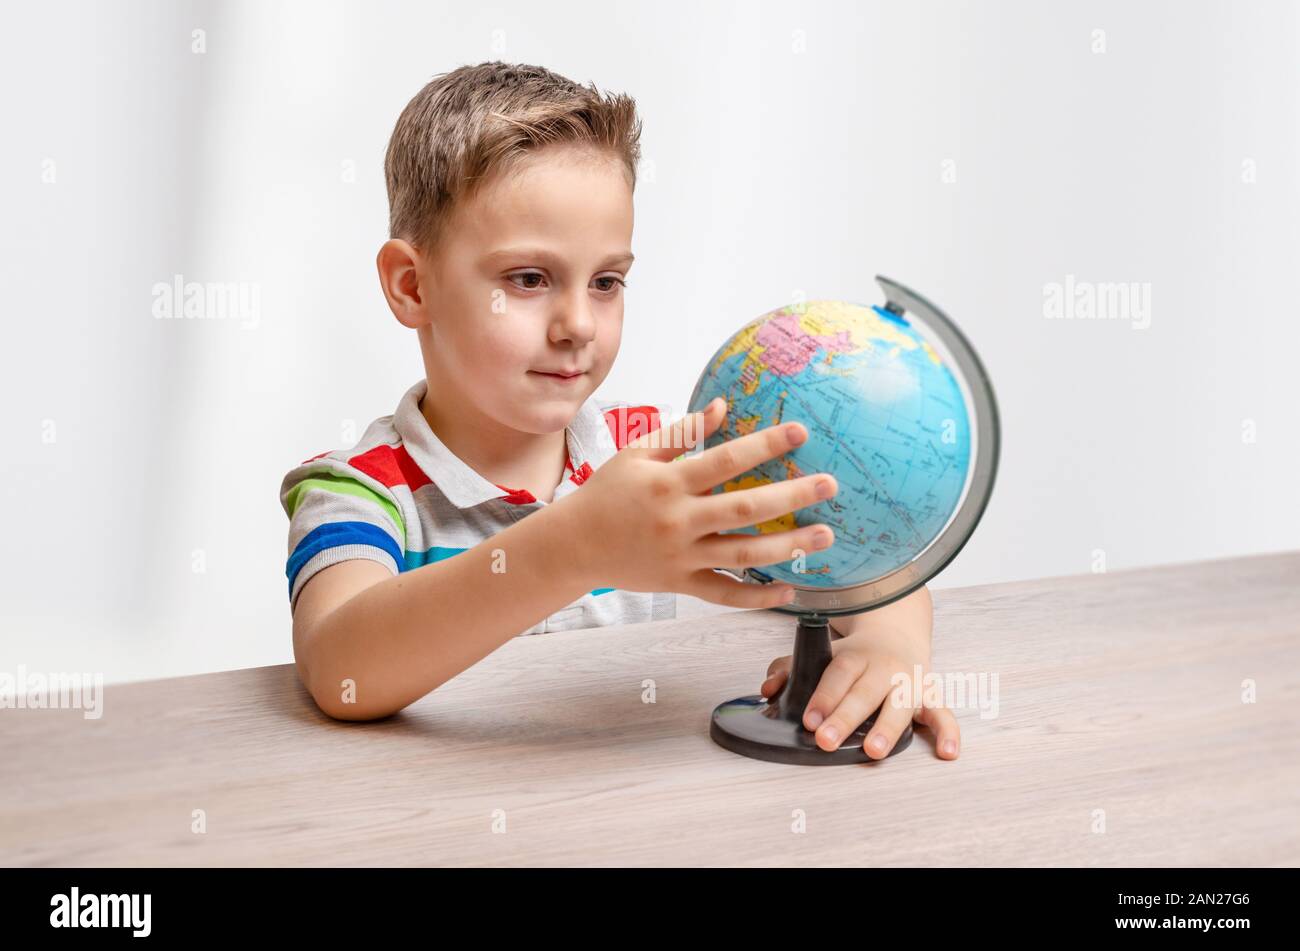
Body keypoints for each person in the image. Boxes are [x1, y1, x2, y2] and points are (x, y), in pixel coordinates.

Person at [278, 61, 958, 760]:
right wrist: (578, 545)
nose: (578, 323)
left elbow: (858, 553)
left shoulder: (661, 456)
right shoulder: (357, 489)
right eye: (530, 279)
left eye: (606, 281)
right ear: (411, 285)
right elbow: (342, 669)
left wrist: (890, 642)